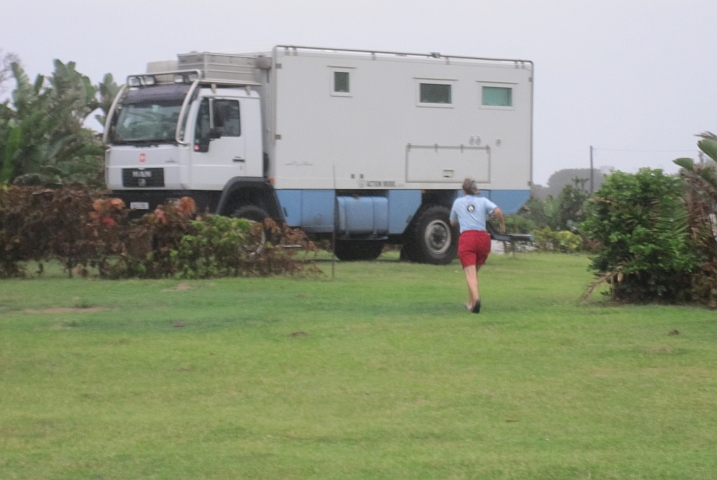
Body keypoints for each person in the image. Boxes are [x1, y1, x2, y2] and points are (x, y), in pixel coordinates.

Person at [450, 178, 505, 314]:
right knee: (474, 274)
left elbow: (452, 222)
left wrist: (460, 220)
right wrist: (502, 224)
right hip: (483, 239)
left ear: (463, 191)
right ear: (475, 191)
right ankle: (470, 303)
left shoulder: (458, 202)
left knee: (470, 274)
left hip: (467, 238)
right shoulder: (483, 201)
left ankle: (476, 299)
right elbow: (498, 211)